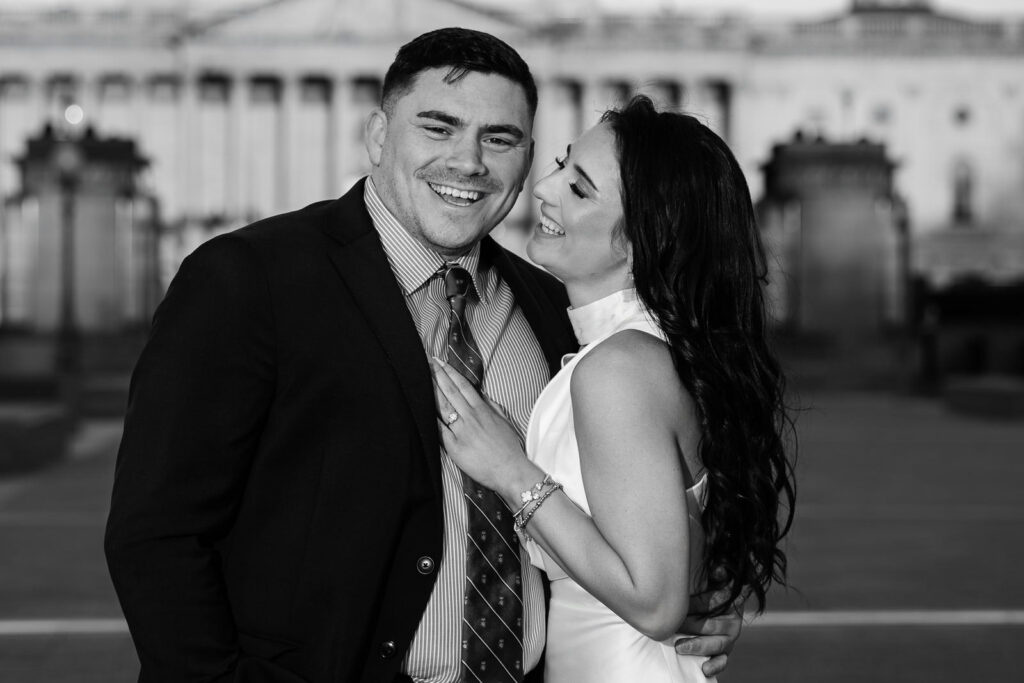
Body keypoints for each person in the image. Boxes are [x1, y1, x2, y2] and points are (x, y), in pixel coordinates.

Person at [104, 29, 740, 683]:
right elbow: (156, 535)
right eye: (438, 127)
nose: (468, 162)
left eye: (500, 138)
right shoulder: (246, 280)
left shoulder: (556, 309)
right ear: (379, 136)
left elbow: (637, 493)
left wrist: (693, 599)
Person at [431, 95, 796, 682]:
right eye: (560, 164)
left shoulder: (618, 367)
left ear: (639, 239)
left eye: (580, 189)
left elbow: (654, 602)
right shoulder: (642, 351)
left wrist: (510, 470)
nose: (544, 190)